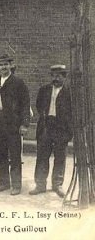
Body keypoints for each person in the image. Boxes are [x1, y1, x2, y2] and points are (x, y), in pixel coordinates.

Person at [0, 53, 30, 195]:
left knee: (14, 155)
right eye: (1, 65)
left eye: (6, 64)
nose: (3, 67)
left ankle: (16, 185)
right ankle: (4, 183)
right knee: (0, 154)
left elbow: (25, 104)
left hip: (13, 124)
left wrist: (24, 124)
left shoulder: (18, 82)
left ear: (10, 66)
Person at [31, 65, 72, 197]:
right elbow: (38, 105)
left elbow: (73, 112)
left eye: (59, 75)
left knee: (60, 157)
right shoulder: (44, 90)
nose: (56, 78)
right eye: (53, 75)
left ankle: (57, 185)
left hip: (61, 128)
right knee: (42, 156)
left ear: (64, 77)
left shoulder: (69, 92)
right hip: (46, 126)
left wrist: (68, 130)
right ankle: (40, 184)